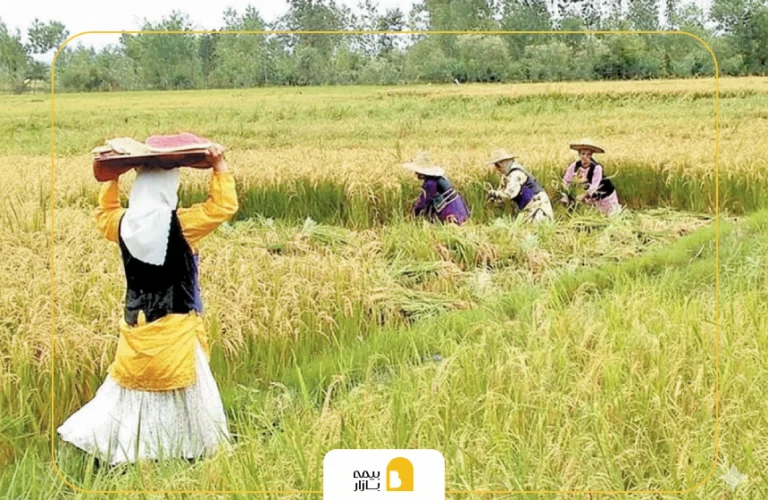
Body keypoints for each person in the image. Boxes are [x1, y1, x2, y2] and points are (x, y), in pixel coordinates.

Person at [57, 144, 238, 466]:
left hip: (136, 326)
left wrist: (112, 179)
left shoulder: (122, 224)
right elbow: (222, 207)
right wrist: (219, 165)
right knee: (189, 394)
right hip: (176, 329)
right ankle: (185, 451)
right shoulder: (181, 225)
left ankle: (132, 451)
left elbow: (104, 215)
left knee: (132, 393)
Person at [486, 148, 554, 224]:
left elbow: (509, 194)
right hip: (528, 207)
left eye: (497, 165)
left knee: (537, 230)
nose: (497, 168)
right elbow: (502, 194)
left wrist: (495, 194)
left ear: (501, 163)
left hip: (538, 206)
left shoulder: (516, 174)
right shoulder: (507, 176)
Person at [404, 151, 470, 225]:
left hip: (451, 207)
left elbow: (425, 200)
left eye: (417, 171)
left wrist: (415, 211)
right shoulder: (440, 178)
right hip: (457, 204)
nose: (416, 173)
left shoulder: (430, 183)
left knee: (452, 226)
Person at [562, 139, 621, 216]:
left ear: (591, 155)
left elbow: (593, 187)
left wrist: (582, 196)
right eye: (583, 154)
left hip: (604, 194)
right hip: (590, 197)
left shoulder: (597, 168)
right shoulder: (574, 166)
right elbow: (566, 180)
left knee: (608, 215)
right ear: (579, 154)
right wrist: (566, 194)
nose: (585, 157)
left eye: (588, 154)